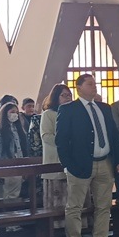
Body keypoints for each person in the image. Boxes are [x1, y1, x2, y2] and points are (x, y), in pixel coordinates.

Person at [56, 73, 119, 237]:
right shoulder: (69, 109)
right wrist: (68, 165)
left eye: (95, 83)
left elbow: (113, 135)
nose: (94, 86)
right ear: (79, 88)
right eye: (90, 84)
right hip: (80, 164)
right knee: (75, 207)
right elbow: (61, 140)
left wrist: (118, 160)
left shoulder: (104, 108)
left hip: (105, 162)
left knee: (103, 205)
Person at [0, 102, 30, 201]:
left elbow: (22, 148)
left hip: (18, 168)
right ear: (5, 113)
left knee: (15, 197)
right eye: (12, 112)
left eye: (16, 112)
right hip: (3, 168)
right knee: (2, 197)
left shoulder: (18, 129)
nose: (15, 114)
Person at [40, 84, 73, 214]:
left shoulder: (74, 113)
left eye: (69, 95)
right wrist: (66, 142)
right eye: (63, 95)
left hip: (73, 162)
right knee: (58, 201)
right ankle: (57, 224)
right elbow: (46, 136)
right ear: (55, 97)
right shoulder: (49, 114)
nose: (67, 98)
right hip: (55, 160)